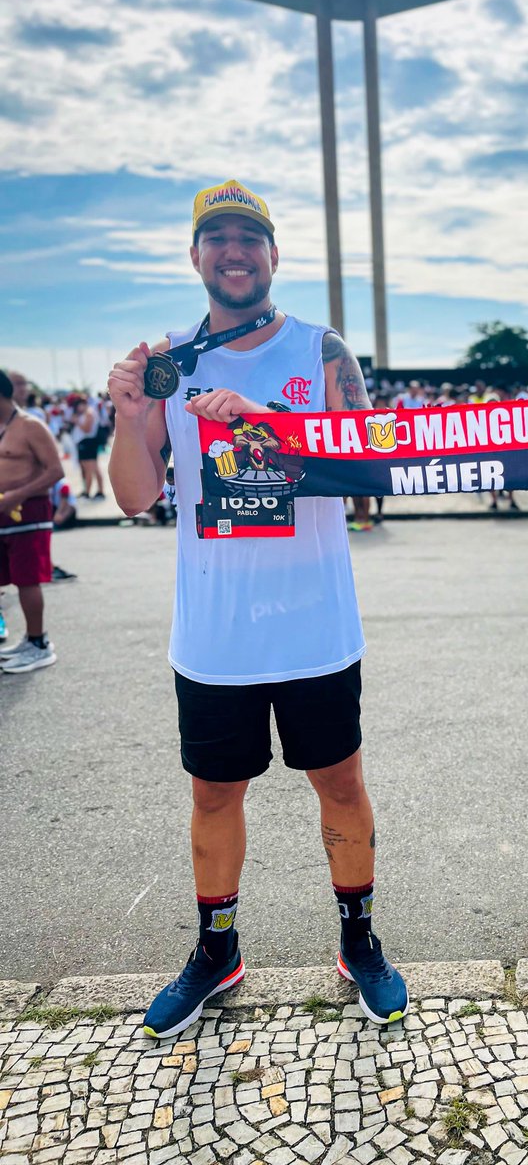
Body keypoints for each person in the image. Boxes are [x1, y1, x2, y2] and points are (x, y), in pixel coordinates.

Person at [107, 179, 408, 1038]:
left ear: (274, 255)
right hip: (215, 633)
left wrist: (266, 423)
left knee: (340, 784)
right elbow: (133, 497)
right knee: (212, 796)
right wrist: (133, 417)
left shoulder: (321, 350)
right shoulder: (168, 360)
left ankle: (358, 941)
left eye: (249, 237)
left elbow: (367, 472)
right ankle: (217, 949)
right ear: (195, 255)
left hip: (314, 625)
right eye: (217, 238)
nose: (233, 252)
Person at [0, 369, 64, 672]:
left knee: (27, 579)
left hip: (29, 512)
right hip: (4, 514)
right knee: (6, 578)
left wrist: (17, 495)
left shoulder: (30, 426)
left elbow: (55, 472)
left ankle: (38, 642)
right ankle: (27, 640)